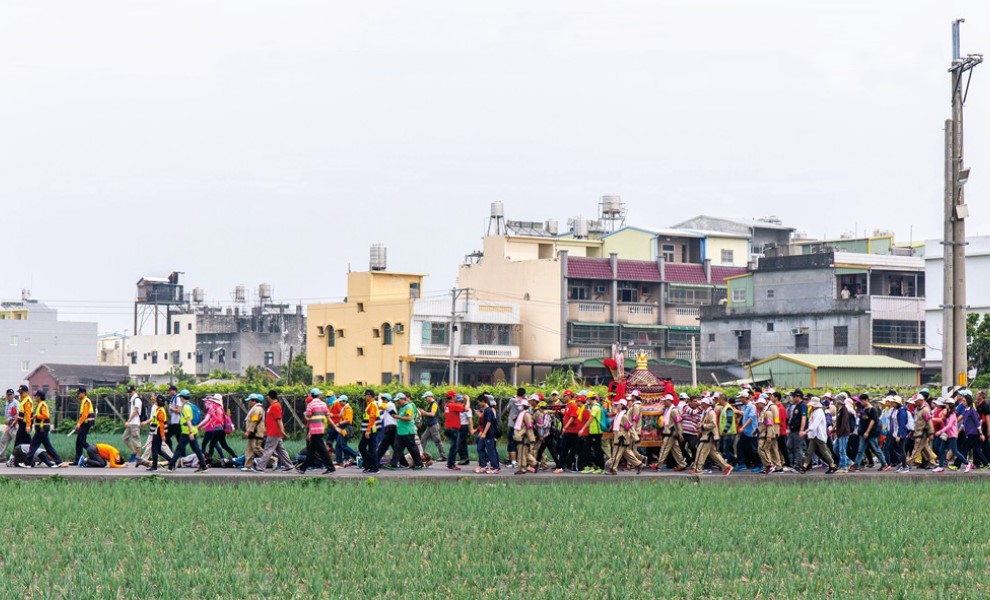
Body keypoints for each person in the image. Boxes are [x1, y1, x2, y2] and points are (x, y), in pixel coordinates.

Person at [252, 390, 294, 473]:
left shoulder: (275, 406)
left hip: (274, 432)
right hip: (273, 432)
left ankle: (260, 467)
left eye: (268, 396)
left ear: (270, 396)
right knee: (280, 450)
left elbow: (279, 420)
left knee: (268, 449)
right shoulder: (273, 406)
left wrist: (282, 431)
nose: (267, 397)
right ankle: (289, 466)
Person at [166, 389, 207, 473]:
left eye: (180, 396)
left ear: (181, 397)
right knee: (196, 449)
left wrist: (190, 432)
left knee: (179, 449)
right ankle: (203, 466)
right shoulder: (191, 405)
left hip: (187, 432)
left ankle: (171, 465)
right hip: (192, 431)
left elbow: (188, 420)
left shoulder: (185, 407)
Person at [298, 389, 338, 474]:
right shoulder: (323, 404)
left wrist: (305, 414)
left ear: (312, 395)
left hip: (314, 430)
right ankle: (303, 468)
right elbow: (328, 416)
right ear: (318, 395)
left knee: (321, 450)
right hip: (321, 429)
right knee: (312, 450)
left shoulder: (310, 405)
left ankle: (330, 467)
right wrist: (335, 427)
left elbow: (308, 418)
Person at [692, 397, 733, 475]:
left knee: (701, 451)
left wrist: (702, 426)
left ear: (706, 404)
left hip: (708, 435)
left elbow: (713, 424)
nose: (701, 404)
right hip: (707, 435)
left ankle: (698, 469)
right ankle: (726, 467)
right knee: (713, 453)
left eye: (702, 403)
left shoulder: (711, 413)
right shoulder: (706, 412)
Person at [384, 393, 424, 470]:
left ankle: (419, 464)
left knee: (412, 448)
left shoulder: (408, 407)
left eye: (398, 401)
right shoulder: (402, 408)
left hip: (408, 432)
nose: (397, 403)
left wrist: (397, 417)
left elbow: (409, 418)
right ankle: (393, 464)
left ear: (403, 399)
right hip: (401, 432)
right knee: (397, 448)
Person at [851, 394, 888, 471]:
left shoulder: (872, 410)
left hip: (871, 434)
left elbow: (872, 421)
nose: (861, 402)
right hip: (863, 433)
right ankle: (856, 465)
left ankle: (884, 464)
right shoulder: (864, 409)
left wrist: (867, 432)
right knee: (860, 450)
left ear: (866, 400)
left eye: (862, 401)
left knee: (876, 449)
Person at [799, 398, 837, 474]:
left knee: (824, 452)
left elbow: (814, 425)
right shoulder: (815, 412)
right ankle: (804, 466)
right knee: (809, 452)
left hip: (819, 435)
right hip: (814, 435)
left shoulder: (819, 412)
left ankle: (832, 465)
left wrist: (805, 432)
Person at [27, 390, 62, 465]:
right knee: (48, 447)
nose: (35, 397)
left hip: (42, 429)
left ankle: (27, 463)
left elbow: (46, 415)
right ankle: (58, 462)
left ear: (39, 397)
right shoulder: (40, 404)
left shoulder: (42, 405)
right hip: (42, 429)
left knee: (33, 445)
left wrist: (36, 416)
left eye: (36, 396)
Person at [656, 395, 687, 471]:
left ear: (669, 401)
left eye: (665, 401)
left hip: (670, 433)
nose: (664, 402)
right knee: (676, 450)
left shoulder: (673, 410)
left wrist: (680, 433)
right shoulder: (667, 410)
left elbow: (678, 422)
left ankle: (658, 465)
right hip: (670, 432)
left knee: (664, 449)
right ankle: (682, 464)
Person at [554, 391, 583, 473]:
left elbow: (573, 417)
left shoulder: (572, 405)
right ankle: (565, 465)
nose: (563, 397)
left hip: (571, 431)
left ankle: (563, 466)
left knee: (565, 448)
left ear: (570, 396)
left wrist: (565, 427)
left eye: (565, 396)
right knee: (565, 448)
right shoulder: (568, 405)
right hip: (569, 430)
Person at [933, 397, 964, 473]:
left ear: (950, 405)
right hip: (946, 434)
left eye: (947, 404)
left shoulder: (953, 414)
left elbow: (949, 425)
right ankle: (940, 466)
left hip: (952, 435)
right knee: (941, 449)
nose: (945, 405)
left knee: (955, 451)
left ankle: (967, 463)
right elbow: (943, 421)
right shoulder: (947, 413)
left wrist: (940, 431)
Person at [203, 394, 237, 460]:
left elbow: (216, 419)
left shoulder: (217, 408)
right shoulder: (220, 407)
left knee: (212, 445)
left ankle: (209, 460)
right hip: (221, 429)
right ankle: (235, 456)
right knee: (223, 445)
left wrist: (205, 425)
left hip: (217, 429)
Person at [959, 394, 987, 472]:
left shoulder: (972, 411)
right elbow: (964, 423)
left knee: (963, 449)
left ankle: (958, 464)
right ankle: (986, 463)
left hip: (972, 433)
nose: (962, 402)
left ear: (968, 401)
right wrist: (958, 431)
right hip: (969, 433)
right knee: (976, 449)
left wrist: (981, 434)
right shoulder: (966, 410)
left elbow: (977, 423)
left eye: (964, 401)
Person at [909, 395, 937, 468]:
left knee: (916, 449)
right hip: (917, 432)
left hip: (922, 433)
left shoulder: (925, 410)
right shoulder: (916, 410)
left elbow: (929, 422)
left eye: (916, 401)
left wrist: (931, 433)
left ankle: (907, 463)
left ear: (921, 401)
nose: (915, 402)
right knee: (925, 449)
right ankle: (933, 462)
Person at [144, 394, 170, 472]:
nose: (155, 400)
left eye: (156, 399)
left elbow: (161, 424)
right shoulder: (158, 409)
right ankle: (172, 461)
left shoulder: (161, 411)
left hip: (158, 431)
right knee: (158, 450)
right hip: (156, 431)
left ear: (159, 401)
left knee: (154, 449)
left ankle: (154, 467)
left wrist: (162, 435)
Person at [581, 393, 605, 474]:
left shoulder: (595, 407)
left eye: (588, 399)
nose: (587, 401)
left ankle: (601, 467)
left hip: (596, 432)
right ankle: (589, 465)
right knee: (586, 448)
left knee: (597, 450)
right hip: (592, 432)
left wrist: (583, 429)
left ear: (590, 399)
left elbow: (590, 419)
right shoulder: (596, 407)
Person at [241, 394, 267, 471]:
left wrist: (249, 431)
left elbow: (254, 421)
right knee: (249, 449)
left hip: (256, 432)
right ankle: (248, 466)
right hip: (253, 433)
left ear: (254, 401)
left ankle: (272, 459)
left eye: (249, 401)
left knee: (256, 448)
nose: (248, 402)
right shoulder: (255, 408)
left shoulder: (257, 409)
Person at [475, 395, 500, 474]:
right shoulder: (485, 410)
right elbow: (483, 423)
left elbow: (489, 422)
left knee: (491, 451)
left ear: (483, 401)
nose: (478, 404)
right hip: (484, 434)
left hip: (489, 434)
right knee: (479, 448)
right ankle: (484, 465)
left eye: (479, 402)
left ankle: (496, 467)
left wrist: (484, 433)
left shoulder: (489, 410)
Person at [332, 395, 359, 466]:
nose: (340, 403)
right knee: (338, 445)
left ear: (344, 401)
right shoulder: (343, 409)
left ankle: (357, 455)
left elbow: (348, 420)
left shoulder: (348, 409)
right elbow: (340, 416)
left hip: (346, 428)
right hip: (343, 427)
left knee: (343, 445)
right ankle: (339, 461)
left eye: (341, 401)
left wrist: (339, 423)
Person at [513, 396, 537, 474]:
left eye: (520, 405)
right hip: (520, 437)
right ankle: (524, 467)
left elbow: (529, 427)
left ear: (523, 406)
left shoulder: (526, 415)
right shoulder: (522, 414)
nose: (518, 407)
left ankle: (522, 468)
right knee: (522, 453)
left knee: (522, 454)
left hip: (524, 437)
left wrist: (531, 438)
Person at [737, 391, 760, 473]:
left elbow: (751, 418)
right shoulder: (745, 407)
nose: (740, 399)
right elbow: (744, 415)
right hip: (746, 432)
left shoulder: (752, 407)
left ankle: (759, 465)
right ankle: (742, 464)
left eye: (741, 398)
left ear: (744, 398)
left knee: (754, 449)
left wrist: (743, 427)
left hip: (752, 432)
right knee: (740, 446)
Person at [785, 390, 808, 471]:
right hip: (793, 430)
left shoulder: (802, 406)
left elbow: (803, 418)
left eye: (793, 397)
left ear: (798, 396)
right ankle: (796, 463)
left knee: (798, 448)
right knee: (789, 445)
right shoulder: (796, 406)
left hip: (798, 431)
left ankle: (799, 465)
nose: (792, 399)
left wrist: (801, 430)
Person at [359, 389, 380, 473]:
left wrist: (368, 431)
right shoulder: (370, 404)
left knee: (366, 448)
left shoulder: (372, 405)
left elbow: (372, 418)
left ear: (369, 395)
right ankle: (369, 465)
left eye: (366, 395)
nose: (365, 397)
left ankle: (374, 467)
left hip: (370, 430)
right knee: (365, 448)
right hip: (368, 430)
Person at [832, 393, 854, 473]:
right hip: (839, 433)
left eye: (836, 400)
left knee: (842, 450)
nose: (835, 402)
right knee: (835, 448)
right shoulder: (839, 409)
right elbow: (838, 421)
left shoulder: (844, 409)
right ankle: (848, 461)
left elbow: (844, 422)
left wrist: (840, 431)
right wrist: (834, 428)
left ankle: (844, 467)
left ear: (839, 401)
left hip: (843, 433)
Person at [756, 396, 778, 474]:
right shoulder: (761, 413)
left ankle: (769, 464)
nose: (757, 405)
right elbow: (761, 424)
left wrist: (769, 435)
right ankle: (767, 466)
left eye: (758, 404)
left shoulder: (767, 413)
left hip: (765, 435)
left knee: (761, 449)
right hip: (762, 434)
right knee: (764, 450)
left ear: (762, 403)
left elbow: (769, 425)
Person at [76, 387, 99, 462]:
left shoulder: (86, 401)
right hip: (84, 423)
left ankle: (94, 453)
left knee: (82, 441)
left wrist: (79, 424)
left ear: (83, 393)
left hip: (86, 424)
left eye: (79, 393)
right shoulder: (83, 401)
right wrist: (79, 423)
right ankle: (77, 460)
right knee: (78, 442)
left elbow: (85, 414)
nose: (78, 395)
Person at [715, 393, 736, 467]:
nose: (718, 401)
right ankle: (731, 461)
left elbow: (729, 421)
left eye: (719, 399)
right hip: (725, 433)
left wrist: (725, 430)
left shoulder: (728, 408)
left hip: (728, 433)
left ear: (722, 399)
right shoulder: (724, 408)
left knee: (726, 450)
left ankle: (729, 463)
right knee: (722, 449)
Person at [377, 393, 398, 465]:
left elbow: (381, 406)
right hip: (389, 428)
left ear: (386, 400)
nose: (382, 401)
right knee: (395, 447)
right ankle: (404, 463)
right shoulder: (387, 407)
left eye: (383, 400)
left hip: (391, 428)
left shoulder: (390, 404)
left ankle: (375, 462)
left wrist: (379, 398)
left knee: (382, 447)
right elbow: (382, 417)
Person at [0, 389, 20, 461]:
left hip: (14, 424)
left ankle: (19, 457)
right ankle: (2, 457)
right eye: (8, 394)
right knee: (3, 440)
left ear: (13, 395)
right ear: (6, 395)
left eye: (11, 394)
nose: (10, 396)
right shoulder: (6, 403)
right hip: (8, 425)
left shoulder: (16, 403)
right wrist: (6, 420)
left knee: (17, 442)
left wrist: (10, 419)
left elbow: (18, 414)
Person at [165, 384, 183, 451]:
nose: (169, 392)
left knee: (179, 439)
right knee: (167, 436)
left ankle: (180, 455)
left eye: (170, 391)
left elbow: (178, 410)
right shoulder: (173, 398)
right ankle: (171, 452)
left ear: (174, 391)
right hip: (174, 422)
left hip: (177, 422)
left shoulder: (178, 398)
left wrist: (171, 408)